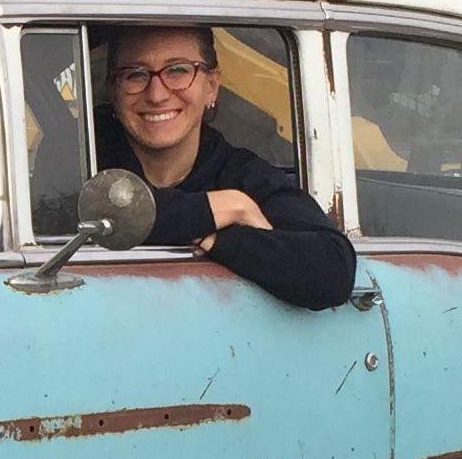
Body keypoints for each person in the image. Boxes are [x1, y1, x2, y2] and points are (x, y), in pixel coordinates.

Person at [94, 26, 357, 310]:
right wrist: (222, 209)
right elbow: (69, 212)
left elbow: (332, 271)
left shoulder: (241, 174)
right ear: (113, 90)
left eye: (178, 71)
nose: (157, 94)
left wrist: (219, 237)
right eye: (135, 74)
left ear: (211, 85)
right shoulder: (83, 151)